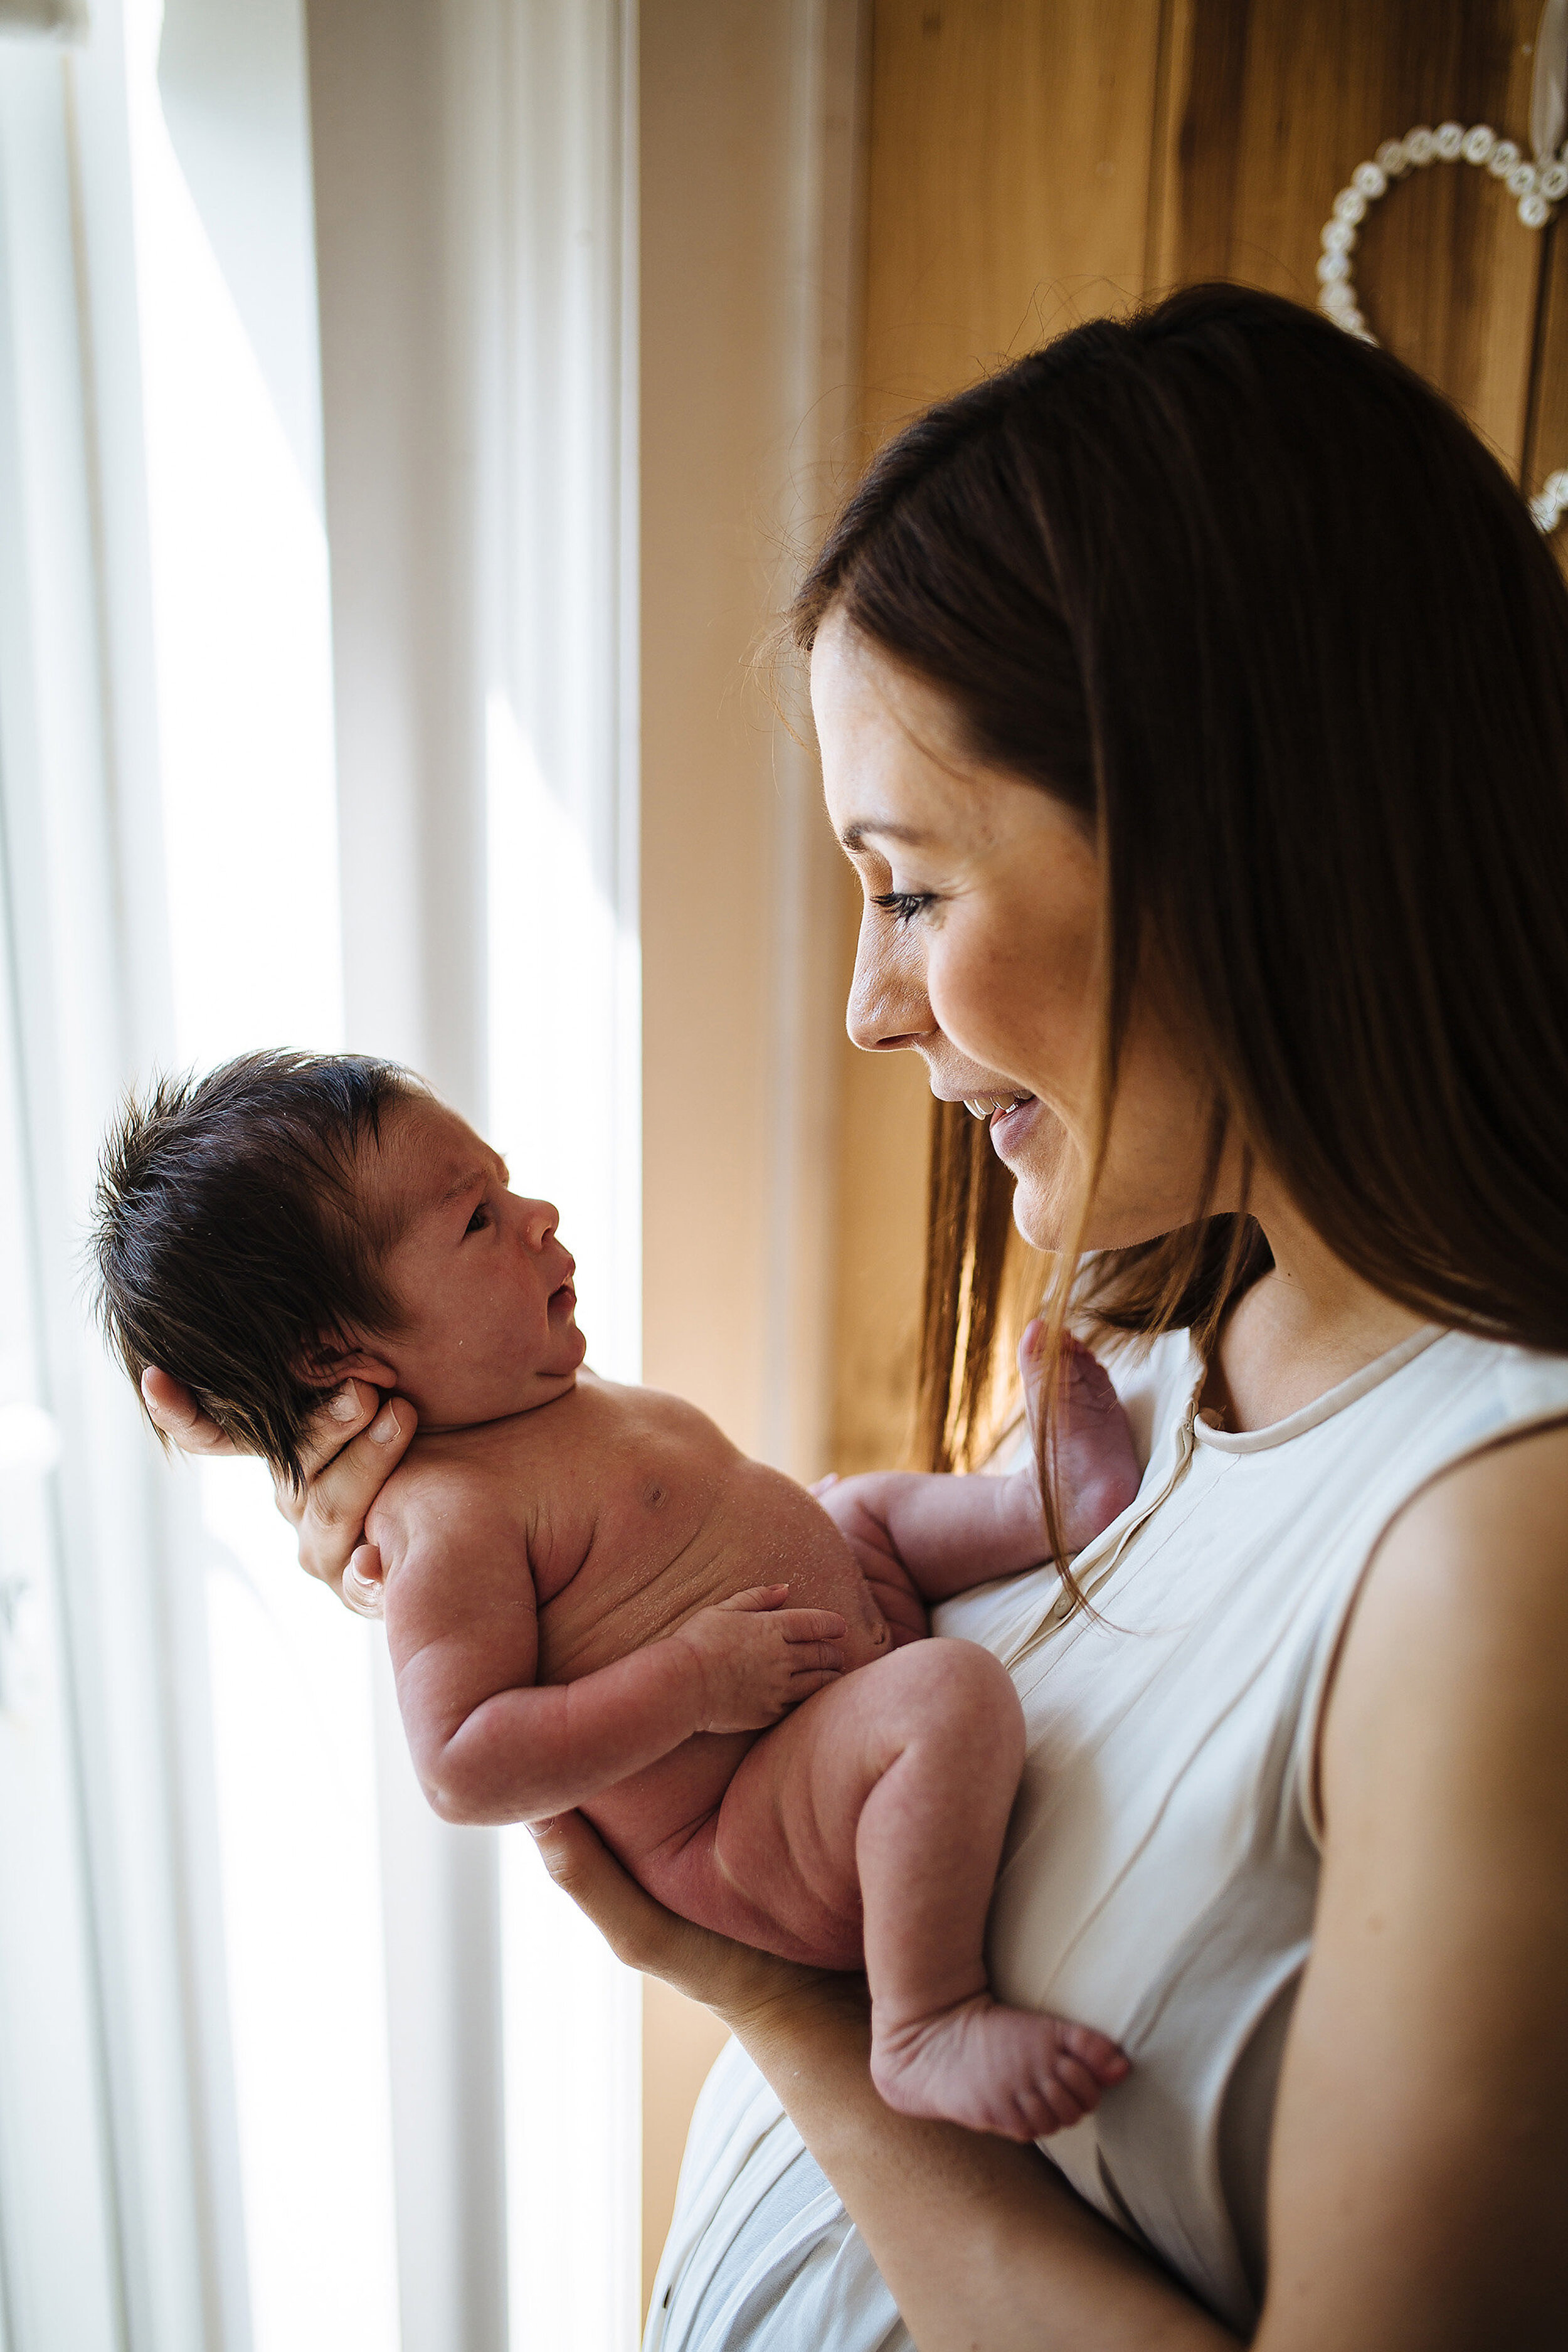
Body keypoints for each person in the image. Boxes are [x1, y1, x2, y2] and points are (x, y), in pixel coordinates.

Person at [145, 285, 1568, 2349]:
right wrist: (452, 1532)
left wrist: (777, 2011)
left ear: (1233, 839)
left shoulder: (1494, 1564)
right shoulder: (1180, 1360)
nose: (864, 1001)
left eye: (907, 888)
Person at [98, 1052, 1138, 2137]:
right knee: (946, 1694)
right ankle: (927, 2018)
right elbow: (463, 1758)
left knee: (853, 1509)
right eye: (477, 1221)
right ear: (336, 1355)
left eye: (507, 1187)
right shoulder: (446, 1515)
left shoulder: (527, 1394)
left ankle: (1052, 1506)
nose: (537, 1215)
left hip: (814, 1677)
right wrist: (694, 1680)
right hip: (752, 1818)